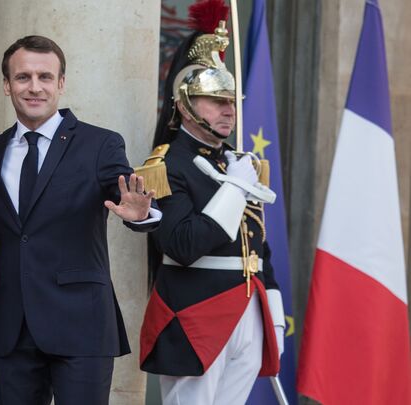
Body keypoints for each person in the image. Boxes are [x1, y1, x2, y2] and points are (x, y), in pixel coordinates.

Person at [0, 35, 160, 405]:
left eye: (45, 77)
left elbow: (124, 191)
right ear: (6, 85)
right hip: (10, 327)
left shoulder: (101, 144)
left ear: (61, 84)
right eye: (23, 77)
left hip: (81, 323)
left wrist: (140, 214)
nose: (34, 87)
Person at [139, 6, 285, 405]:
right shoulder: (168, 163)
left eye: (232, 101)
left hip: (248, 309)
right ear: (186, 104)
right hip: (194, 314)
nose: (229, 111)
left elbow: (257, 241)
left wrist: (271, 307)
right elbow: (183, 246)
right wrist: (235, 188)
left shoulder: (234, 163)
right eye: (216, 100)